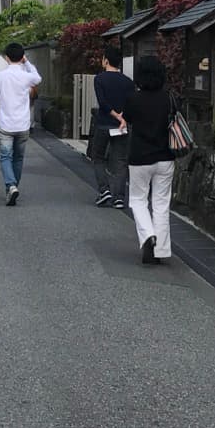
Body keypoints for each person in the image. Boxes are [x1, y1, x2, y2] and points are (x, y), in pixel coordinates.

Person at [112, 55, 175, 265]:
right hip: (166, 157)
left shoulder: (134, 99)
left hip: (140, 157)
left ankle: (148, 235)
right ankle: (161, 249)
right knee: (161, 203)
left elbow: (127, 119)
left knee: (138, 199)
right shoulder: (169, 98)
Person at [0, 41, 42, 207]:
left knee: (5, 157)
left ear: (6, 58)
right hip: (23, 124)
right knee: (18, 157)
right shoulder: (27, 76)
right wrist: (27, 62)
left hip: (6, 124)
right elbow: (38, 78)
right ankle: (13, 185)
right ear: (22, 57)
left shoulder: (0, 76)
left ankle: (11, 185)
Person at [88, 46, 133, 209]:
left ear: (106, 60)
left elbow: (103, 103)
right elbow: (130, 103)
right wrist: (123, 117)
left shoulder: (99, 79)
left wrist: (115, 115)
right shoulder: (128, 81)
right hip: (121, 126)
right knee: (120, 161)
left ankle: (104, 190)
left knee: (98, 157)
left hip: (103, 124)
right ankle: (119, 198)